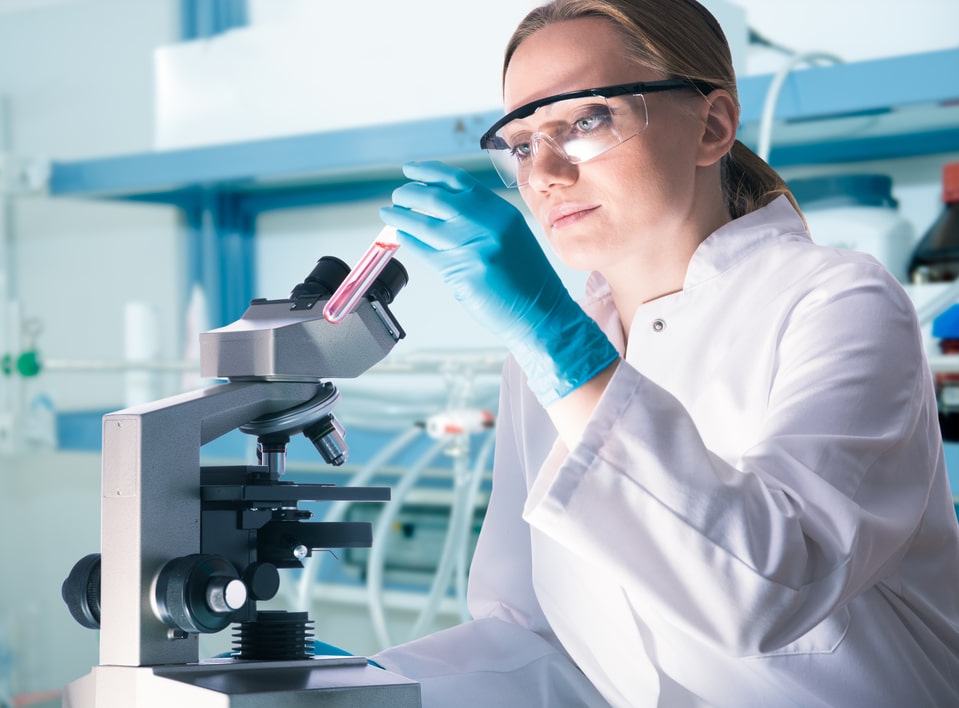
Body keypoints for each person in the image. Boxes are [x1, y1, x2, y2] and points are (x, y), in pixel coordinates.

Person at [372, 0, 959, 705]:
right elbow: (534, 635)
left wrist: (559, 350)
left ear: (710, 127)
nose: (547, 172)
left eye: (585, 121)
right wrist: (352, 686)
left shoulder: (836, 301)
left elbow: (769, 589)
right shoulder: (541, 362)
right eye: (522, 143)